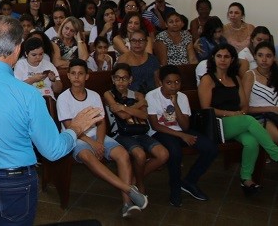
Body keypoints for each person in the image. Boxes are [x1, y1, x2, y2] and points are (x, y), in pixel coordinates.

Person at [0, 16, 104, 224]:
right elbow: (53, 150)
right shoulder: (28, 94)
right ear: (18, 49)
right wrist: (75, 128)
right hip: (13, 185)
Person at [57, 59, 148, 218]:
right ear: (69, 76)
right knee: (88, 156)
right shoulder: (63, 98)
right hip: (75, 137)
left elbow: (101, 122)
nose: (77, 77)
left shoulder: (93, 95)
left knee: (123, 155)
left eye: (81, 74)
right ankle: (128, 188)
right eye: (73, 73)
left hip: (96, 135)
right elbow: (71, 127)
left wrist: (99, 142)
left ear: (87, 76)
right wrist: (93, 143)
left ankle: (127, 203)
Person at [198, 43, 278, 196]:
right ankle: (275, 153)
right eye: (219, 56)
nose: (223, 60)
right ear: (213, 58)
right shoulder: (207, 79)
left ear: (232, 59)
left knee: (251, 142)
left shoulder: (235, 78)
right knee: (249, 120)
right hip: (218, 124)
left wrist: (240, 112)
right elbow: (206, 109)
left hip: (237, 122)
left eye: (227, 56)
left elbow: (244, 105)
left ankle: (246, 180)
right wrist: (232, 114)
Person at [146, 65, 217, 206]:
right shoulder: (151, 96)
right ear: (161, 82)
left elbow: (185, 126)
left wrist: (175, 103)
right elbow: (155, 125)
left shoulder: (182, 97)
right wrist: (182, 136)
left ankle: (189, 181)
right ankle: (175, 188)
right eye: (169, 82)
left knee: (211, 148)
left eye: (177, 82)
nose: (173, 86)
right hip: (161, 132)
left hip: (180, 130)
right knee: (175, 152)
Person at [103, 63, 169, 195]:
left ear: (130, 80)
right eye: (117, 78)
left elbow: (144, 115)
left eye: (124, 78)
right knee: (140, 155)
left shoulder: (137, 94)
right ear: (112, 79)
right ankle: (140, 183)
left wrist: (123, 107)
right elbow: (122, 116)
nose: (120, 81)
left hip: (139, 130)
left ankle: (135, 179)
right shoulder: (108, 94)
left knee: (163, 154)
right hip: (121, 133)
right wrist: (138, 106)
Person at [242, 42, 278, 143]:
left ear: (274, 58)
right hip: (258, 117)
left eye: (268, 56)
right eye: (260, 55)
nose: (264, 60)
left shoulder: (276, 74)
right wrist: (272, 109)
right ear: (255, 56)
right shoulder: (250, 75)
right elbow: (245, 109)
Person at [117, 29, 161, 94]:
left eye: (141, 40)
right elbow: (119, 83)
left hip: (152, 95)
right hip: (131, 97)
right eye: (134, 40)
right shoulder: (123, 60)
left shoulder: (153, 59)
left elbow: (158, 82)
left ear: (146, 42)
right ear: (130, 42)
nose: (137, 43)